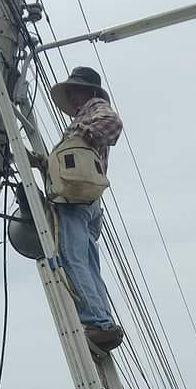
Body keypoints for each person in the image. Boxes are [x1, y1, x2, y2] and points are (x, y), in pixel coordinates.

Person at [32, 65, 124, 351]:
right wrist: (46, 161)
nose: (71, 98)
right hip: (88, 200)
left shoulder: (95, 107)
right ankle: (103, 318)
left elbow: (112, 124)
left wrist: (79, 134)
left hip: (75, 199)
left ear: (89, 91)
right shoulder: (84, 117)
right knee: (88, 263)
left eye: (74, 91)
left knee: (73, 260)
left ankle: (97, 320)